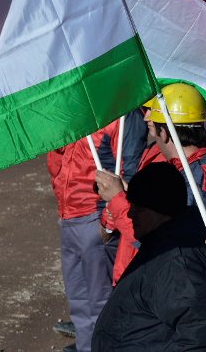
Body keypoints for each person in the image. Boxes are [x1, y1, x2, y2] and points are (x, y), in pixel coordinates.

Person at [96, 83, 206, 283]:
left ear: (164, 132)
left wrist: (118, 200)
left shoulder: (197, 182)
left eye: (152, 119)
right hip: (161, 278)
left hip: (167, 283)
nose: (145, 117)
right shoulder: (195, 170)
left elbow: (167, 242)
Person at [92, 162, 206, 351]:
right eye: (132, 204)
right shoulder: (163, 240)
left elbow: (201, 336)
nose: (130, 213)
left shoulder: (176, 263)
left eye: (139, 208)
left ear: (162, 212)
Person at [47, 116, 146, 352]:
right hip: (69, 216)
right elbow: (58, 164)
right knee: (79, 304)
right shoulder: (72, 111)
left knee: (102, 307)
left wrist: (108, 222)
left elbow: (131, 172)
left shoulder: (123, 115)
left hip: (97, 219)